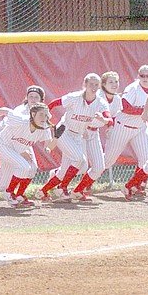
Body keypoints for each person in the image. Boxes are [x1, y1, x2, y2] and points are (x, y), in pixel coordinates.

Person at [35, 73, 112, 202]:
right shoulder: (75, 97)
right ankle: (62, 188)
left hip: (78, 135)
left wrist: (103, 119)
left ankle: (42, 191)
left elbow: (110, 120)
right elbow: (54, 103)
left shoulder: (100, 102)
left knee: (64, 170)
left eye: (96, 85)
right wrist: (46, 119)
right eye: (90, 84)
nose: (93, 87)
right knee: (79, 159)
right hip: (64, 131)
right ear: (85, 85)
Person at [0, 103, 55, 210]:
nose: (44, 118)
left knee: (2, 184)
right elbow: (4, 110)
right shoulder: (22, 120)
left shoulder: (44, 128)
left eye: (46, 115)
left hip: (14, 152)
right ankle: (9, 192)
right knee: (25, 167)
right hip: (3, 145)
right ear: (33, 114)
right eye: (41, 115)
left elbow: (48, 146)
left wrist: (55, 138)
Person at [102, 65, 148, 198]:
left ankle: (136, 185)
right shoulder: (133, 88)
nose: (145, 78)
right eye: (142, 75)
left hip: (140, 128)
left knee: (147, 160)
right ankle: (85, 184)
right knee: (108, 160)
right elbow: (125, 108)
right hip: (123, 126)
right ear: (138, 76)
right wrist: (145, 111)